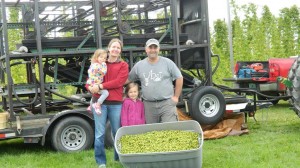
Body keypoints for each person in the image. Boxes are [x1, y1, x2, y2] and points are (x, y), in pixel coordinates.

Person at [87, 38, 128, 168]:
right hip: (99, 102)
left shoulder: (123, 65)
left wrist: (100, 86)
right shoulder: (100, 62)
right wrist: (90, 87)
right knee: (100, 134)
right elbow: (91, 78)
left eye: (118, 47)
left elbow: (119, 82)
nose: (115, 49)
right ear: (109, 48)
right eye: (113, 47)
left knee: (117, 132)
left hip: (115, 104)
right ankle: (101, 162)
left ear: (120, 50)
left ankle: (118, 158)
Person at [128, 38, 183, 124]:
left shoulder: (168, 63)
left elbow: (179, 77)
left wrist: (176, 97)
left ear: (159, 49)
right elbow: (128, 79)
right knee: (152, 133)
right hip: (148, 106)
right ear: (146, 49)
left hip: (167, 104)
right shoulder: (139, 65)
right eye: (150, 47)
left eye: (155, 47)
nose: (153, 50)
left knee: (170, 130)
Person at [86, 49, 109, 114]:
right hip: (94, 83)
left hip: (95, 83)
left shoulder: (103, 64)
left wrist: (98, 71)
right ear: (97, 57)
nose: (103, 59)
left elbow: (103, 73)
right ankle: (98, 104)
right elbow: (90, 72)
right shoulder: (94, 64)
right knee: (106, 93)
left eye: (104, 58)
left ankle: (90, 106)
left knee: (94, 95)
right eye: (101, 57)